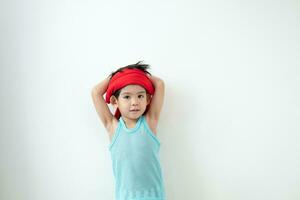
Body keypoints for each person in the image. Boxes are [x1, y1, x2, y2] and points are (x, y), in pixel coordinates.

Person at [91, 61, 166, 200]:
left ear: (148, 99)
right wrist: (117, 75)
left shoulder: (150, 122)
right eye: (127, 97)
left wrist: (139, 73)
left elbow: (160, 85)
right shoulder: (113, 127)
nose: (134, 102)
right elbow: (96, 92)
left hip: (154, 196)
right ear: (114, 101)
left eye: (140, 96)